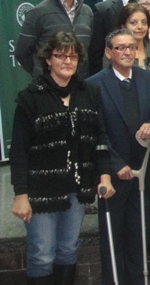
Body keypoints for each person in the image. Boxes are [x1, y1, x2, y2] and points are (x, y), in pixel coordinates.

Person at [10, 32, 115, 284]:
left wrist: (105, 175)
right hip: (41, 192)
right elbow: (19, 151)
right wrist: (21, 195)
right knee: (42, 255)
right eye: (60, 55)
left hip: (78, 189)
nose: (67, 61)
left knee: (69, 250)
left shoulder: (89, 91)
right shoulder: (31, 96)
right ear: (48, 60)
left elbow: (99, 137)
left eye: (73, 56)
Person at [87, 29, 150, 284]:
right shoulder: (94, 84)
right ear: (108, 52)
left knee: (139, 233)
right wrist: (115, 163)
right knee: (113, 235)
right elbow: (94, 131)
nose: (126, 52)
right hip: (112, 174)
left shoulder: (149, 79)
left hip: (144, 171)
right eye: (120, 48)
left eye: (131, 47)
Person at [16, 0, 94, 79]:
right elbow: (22, 53)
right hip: (47, 85)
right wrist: (40, 73)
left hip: (79, 83)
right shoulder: (38, 12)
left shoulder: (87, 12)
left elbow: (91, 50)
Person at [109, 3, 150, 112]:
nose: (140, 27)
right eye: (133, 23)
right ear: (123, 26)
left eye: (144, 22)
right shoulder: (114, 53)